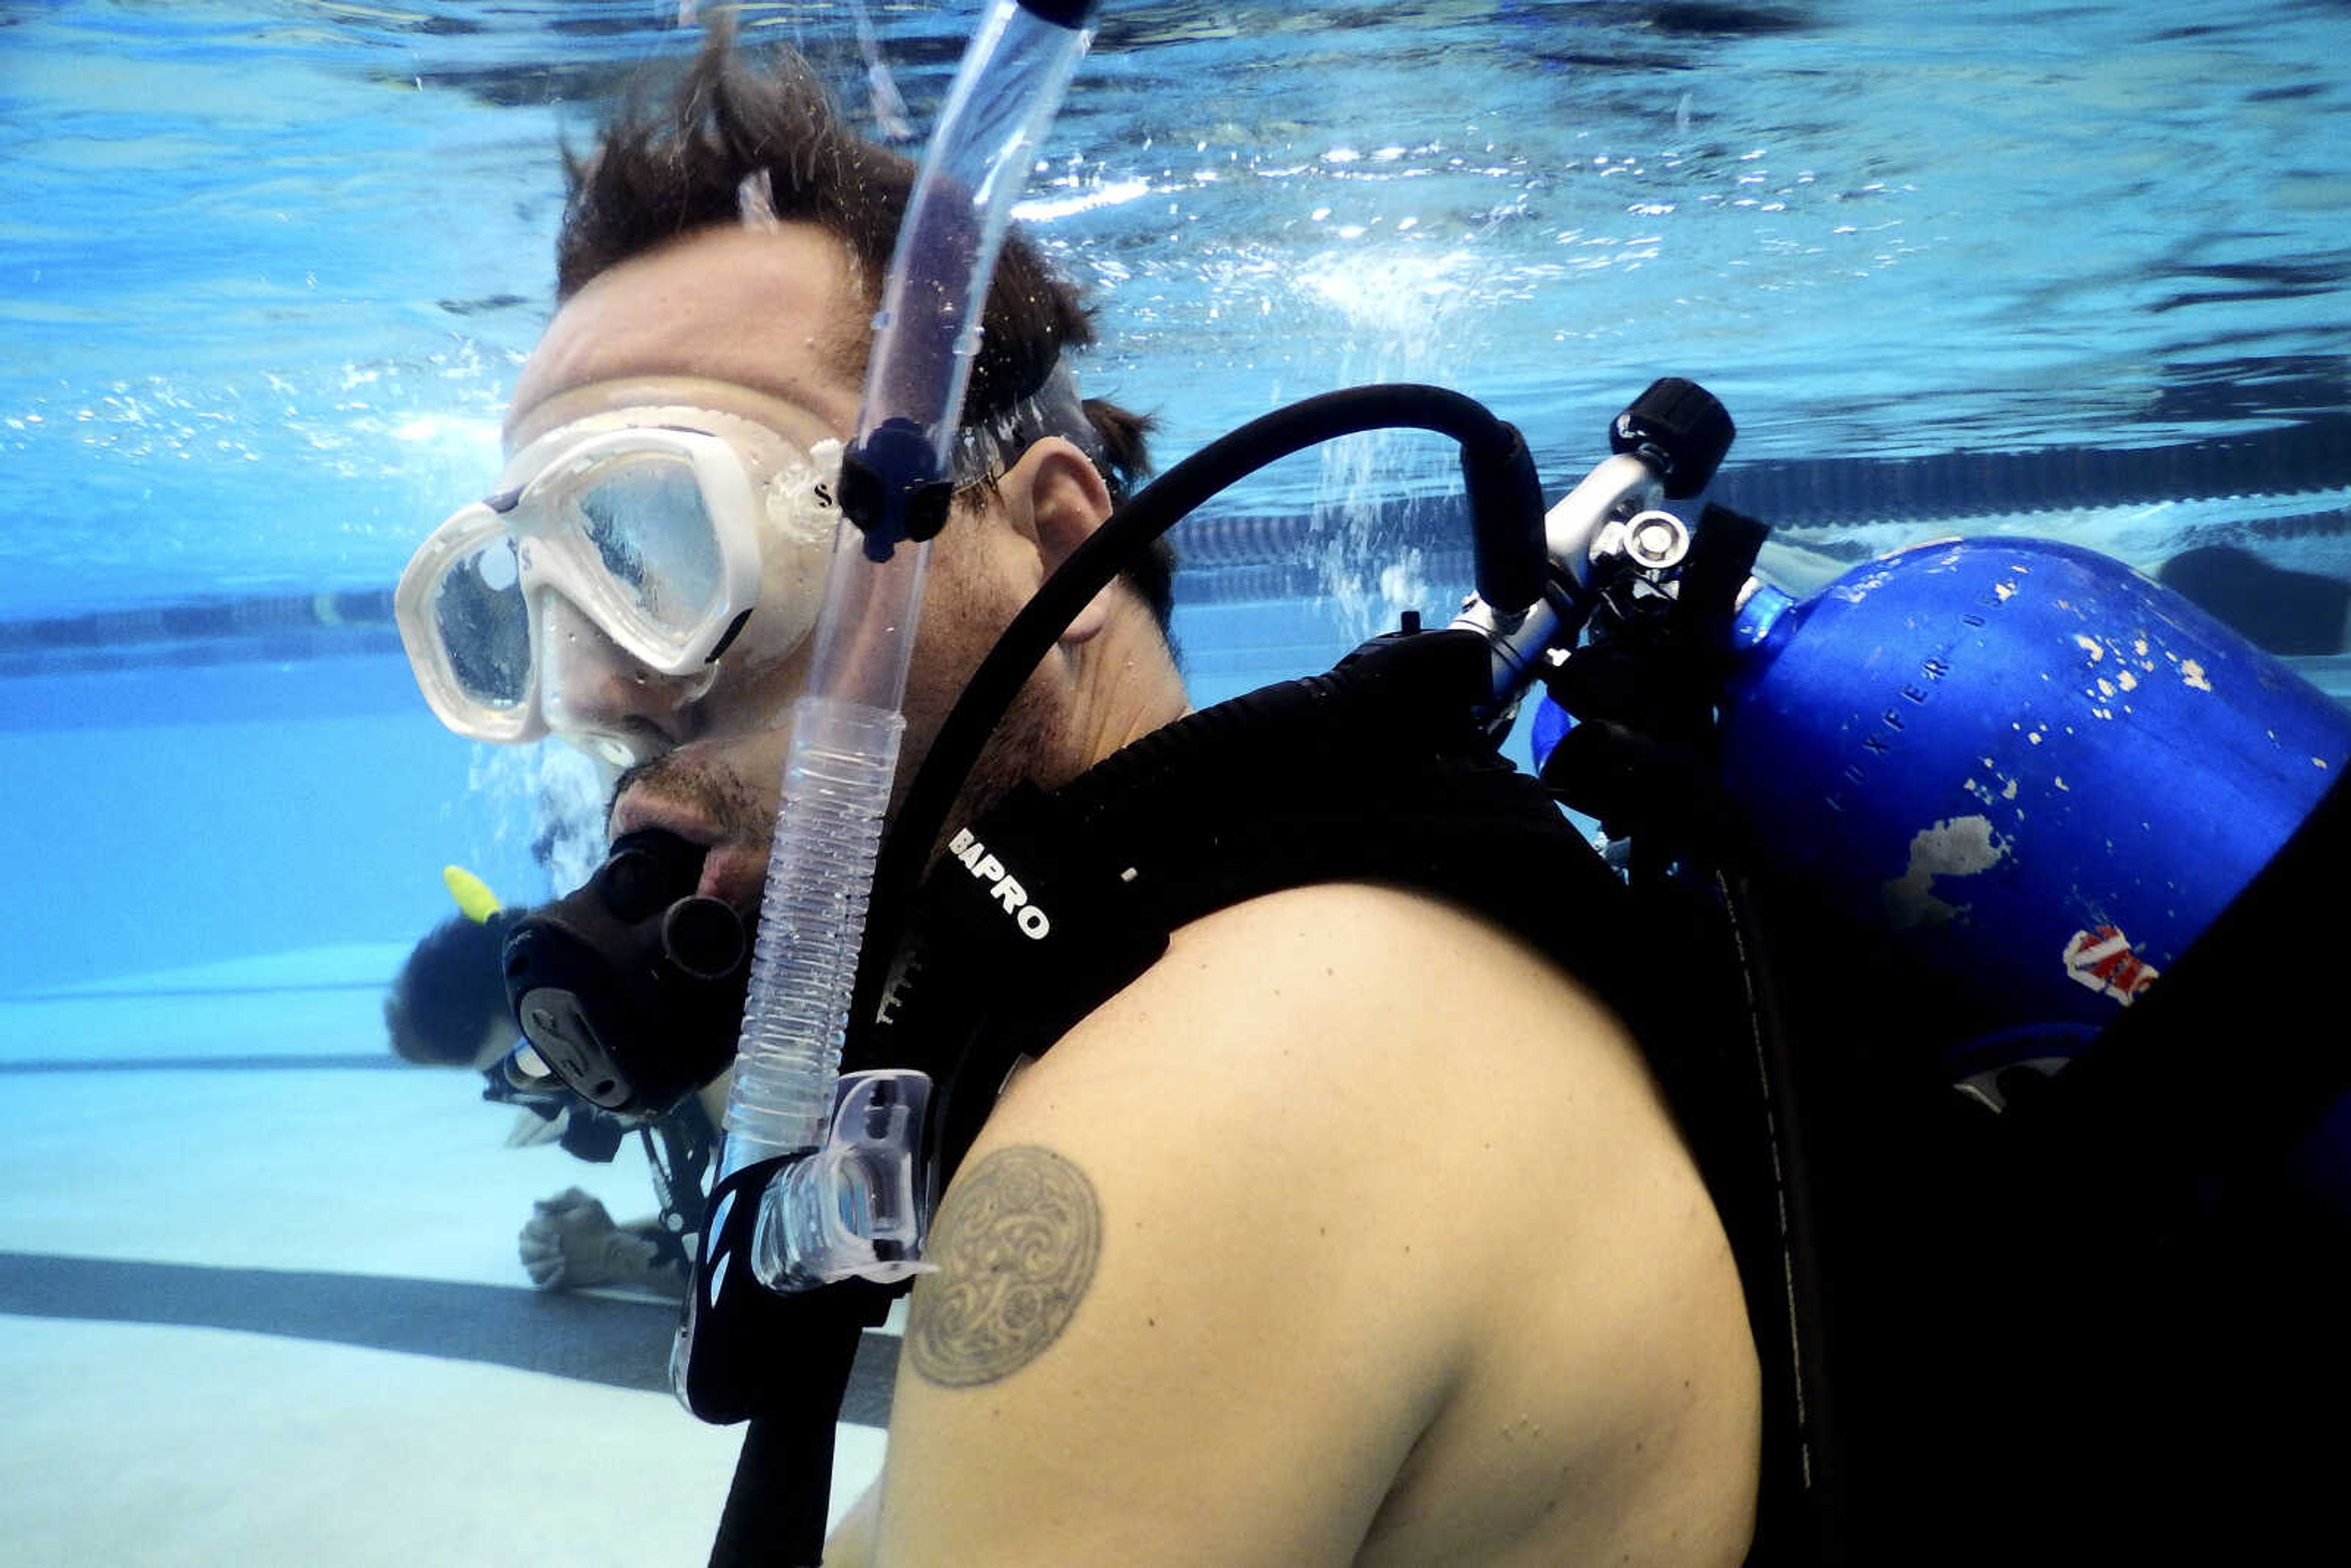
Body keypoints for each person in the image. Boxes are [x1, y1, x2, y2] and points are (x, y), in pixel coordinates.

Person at [397, 25, 1760, 1567]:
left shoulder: (1215, 1103)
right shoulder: (1194, 951)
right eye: (528, 605)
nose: (594, 690)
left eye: (670, 540)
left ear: (1054, 548)